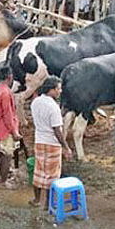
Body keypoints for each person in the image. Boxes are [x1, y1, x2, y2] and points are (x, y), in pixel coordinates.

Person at [30, 76, 73, 208]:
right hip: (52, 144)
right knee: (51, 176)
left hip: (39, 141)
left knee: (38, 172)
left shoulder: (35, 102)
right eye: (58, 89)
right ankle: (48, 205)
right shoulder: (53, 107)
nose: (60, 91)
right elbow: (57, 130)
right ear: (52, 90)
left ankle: (37, 200)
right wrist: (66, 147)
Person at [0, 66, 22, 185]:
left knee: (2, 152)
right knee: (8, 155)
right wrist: (14, 131)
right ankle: (2, 182)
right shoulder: (6, 93)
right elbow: (8, 114)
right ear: (10, 77)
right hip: (6, 129)